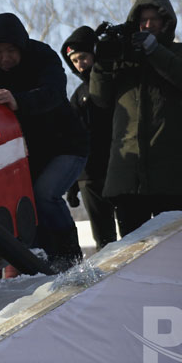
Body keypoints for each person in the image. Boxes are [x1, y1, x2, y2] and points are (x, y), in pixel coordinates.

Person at [0, 13, 89, 269]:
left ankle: (71, 256)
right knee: (28, 206)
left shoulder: (43, 56)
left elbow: (53, 92)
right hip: (31, 154)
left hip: (67, 146)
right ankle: (43, 266)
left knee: (45, 195)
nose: (5, 58)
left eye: (11, 50)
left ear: (22, 46)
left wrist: (18, 100)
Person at [89, 0, 182, 237]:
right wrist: (102, 64)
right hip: (128, 178)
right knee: (133, 255)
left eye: (153, 20)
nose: (147, 25)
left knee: (176, 249)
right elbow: (99, 100)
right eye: (142, 20)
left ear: (166, 22)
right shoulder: (123, 60)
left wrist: (154, 51)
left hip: (171, 177)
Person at [61, 26, 117, 250]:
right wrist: (73, 184)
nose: (79, 64)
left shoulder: (115, 83)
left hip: (118, 169)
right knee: (104, 242)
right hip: (90, 176)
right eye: (74, 60)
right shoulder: (78, 96)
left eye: (83, 57)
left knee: (134, 236)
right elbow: (73, 141)